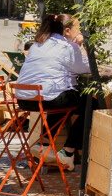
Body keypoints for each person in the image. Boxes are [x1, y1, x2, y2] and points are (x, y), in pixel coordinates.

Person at [15, 13, 92, 157]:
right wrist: (79, 46)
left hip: (24, 99)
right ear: (67, 31)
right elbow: (86, 68)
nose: (79, 32)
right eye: (78, 28)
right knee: (91, 104)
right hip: (46, 98)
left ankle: (43, 143)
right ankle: (68, 151)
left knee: (61, 96)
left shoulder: (37, 45)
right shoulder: (68, 47)